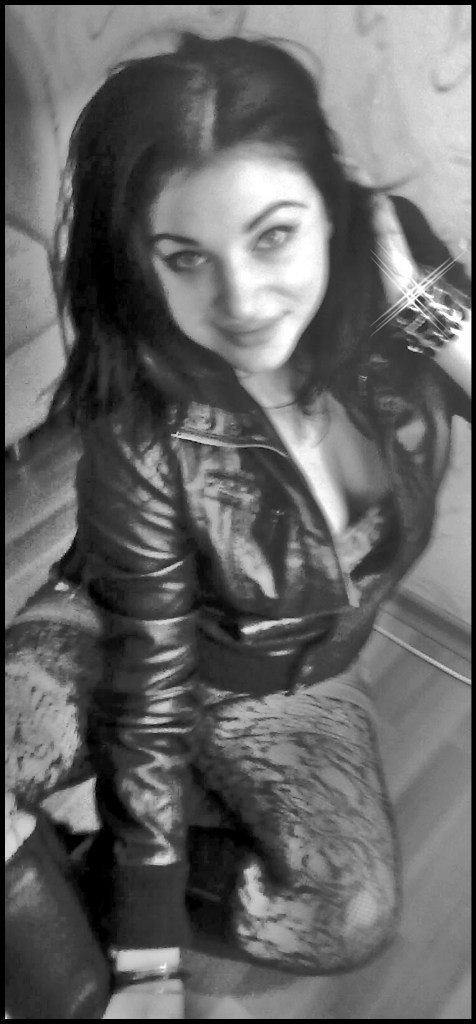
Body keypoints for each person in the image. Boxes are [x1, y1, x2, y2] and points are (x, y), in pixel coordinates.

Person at [5, 31, 471, 1020]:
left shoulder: (387, 281)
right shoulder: (142, 420)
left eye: (272, 236)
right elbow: (149, 675)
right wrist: (144, 970)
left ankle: (78, 878)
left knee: (347, 916)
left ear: (333, 208)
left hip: (292, 681)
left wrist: (421, 302)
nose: (243, 302)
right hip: (117, 633)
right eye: (185, 257)